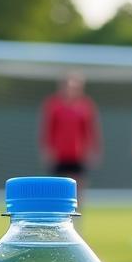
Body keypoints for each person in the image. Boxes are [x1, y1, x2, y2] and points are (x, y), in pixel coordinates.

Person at [39, 73, 101, 207]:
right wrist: (47, 150)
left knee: (78, 189)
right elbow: (48, 129)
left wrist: (93, 150)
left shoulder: (85, 106)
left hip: (78, 155)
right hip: (59, 154)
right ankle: (58, 217)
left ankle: (76, 219)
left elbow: (91, 130)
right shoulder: (54, 105)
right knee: (57, 189)